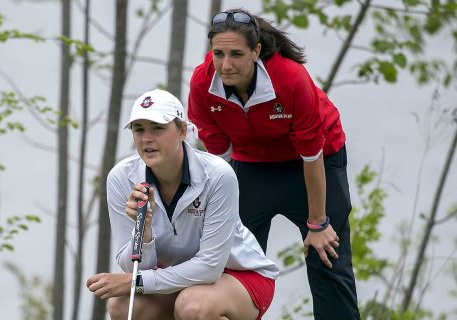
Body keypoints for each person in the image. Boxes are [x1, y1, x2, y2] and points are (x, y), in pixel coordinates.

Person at [187, 8, 360, 320]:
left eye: (236, 54)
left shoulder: (290, 79)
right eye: (218, 54)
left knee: (326, 257)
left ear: (255, 51)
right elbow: (218, 155)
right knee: (229, 257)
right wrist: (219, 208)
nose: (226, 65)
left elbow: (311, 153)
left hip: (314, 161)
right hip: (251, 165)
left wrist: (318, 223)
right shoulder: (202, 83)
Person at [86, 88, 279, 320]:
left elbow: (209, 267)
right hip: (177, 277)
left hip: (239, 273)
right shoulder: (120, 178)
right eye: (139, 129)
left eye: (158, 128)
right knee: (122, 305)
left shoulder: (218, 175)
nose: (146, 138)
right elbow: (134, 268)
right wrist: (144, 232)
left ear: (182, 131)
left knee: (192, 306)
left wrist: (135, 282)